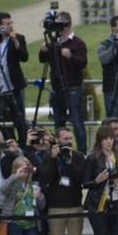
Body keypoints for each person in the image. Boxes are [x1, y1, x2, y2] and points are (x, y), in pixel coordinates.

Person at [38, 11, 88, 150]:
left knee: (77, 121)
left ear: (66, 25)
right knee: (58, 122)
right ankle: (58, 150)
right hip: (56, 87)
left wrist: (70, 56)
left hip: (72, 87)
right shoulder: (54, 43)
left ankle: (82, 151)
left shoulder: (77, 43)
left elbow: (83, 63)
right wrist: (43, 50)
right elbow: (43, 60)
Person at [40, 127, 86, 235]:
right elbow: (45, 178)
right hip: (55, 207)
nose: (69, 141)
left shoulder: (78, 156)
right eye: (65, 139)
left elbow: (81, 179)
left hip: (75, 206)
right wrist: (54, 159)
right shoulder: (49, 156)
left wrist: (70, 162)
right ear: (58, 140)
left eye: (70, 138)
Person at [0, 12, 29, 142]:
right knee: (5, 122)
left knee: (20, 120)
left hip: (14, 86)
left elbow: (24, 57)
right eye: (7, 24)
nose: (10, 26)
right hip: (0, 88)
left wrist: (15, 39)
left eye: (11, 23)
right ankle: (11, 146)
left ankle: (24, 146)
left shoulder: (19, 38)